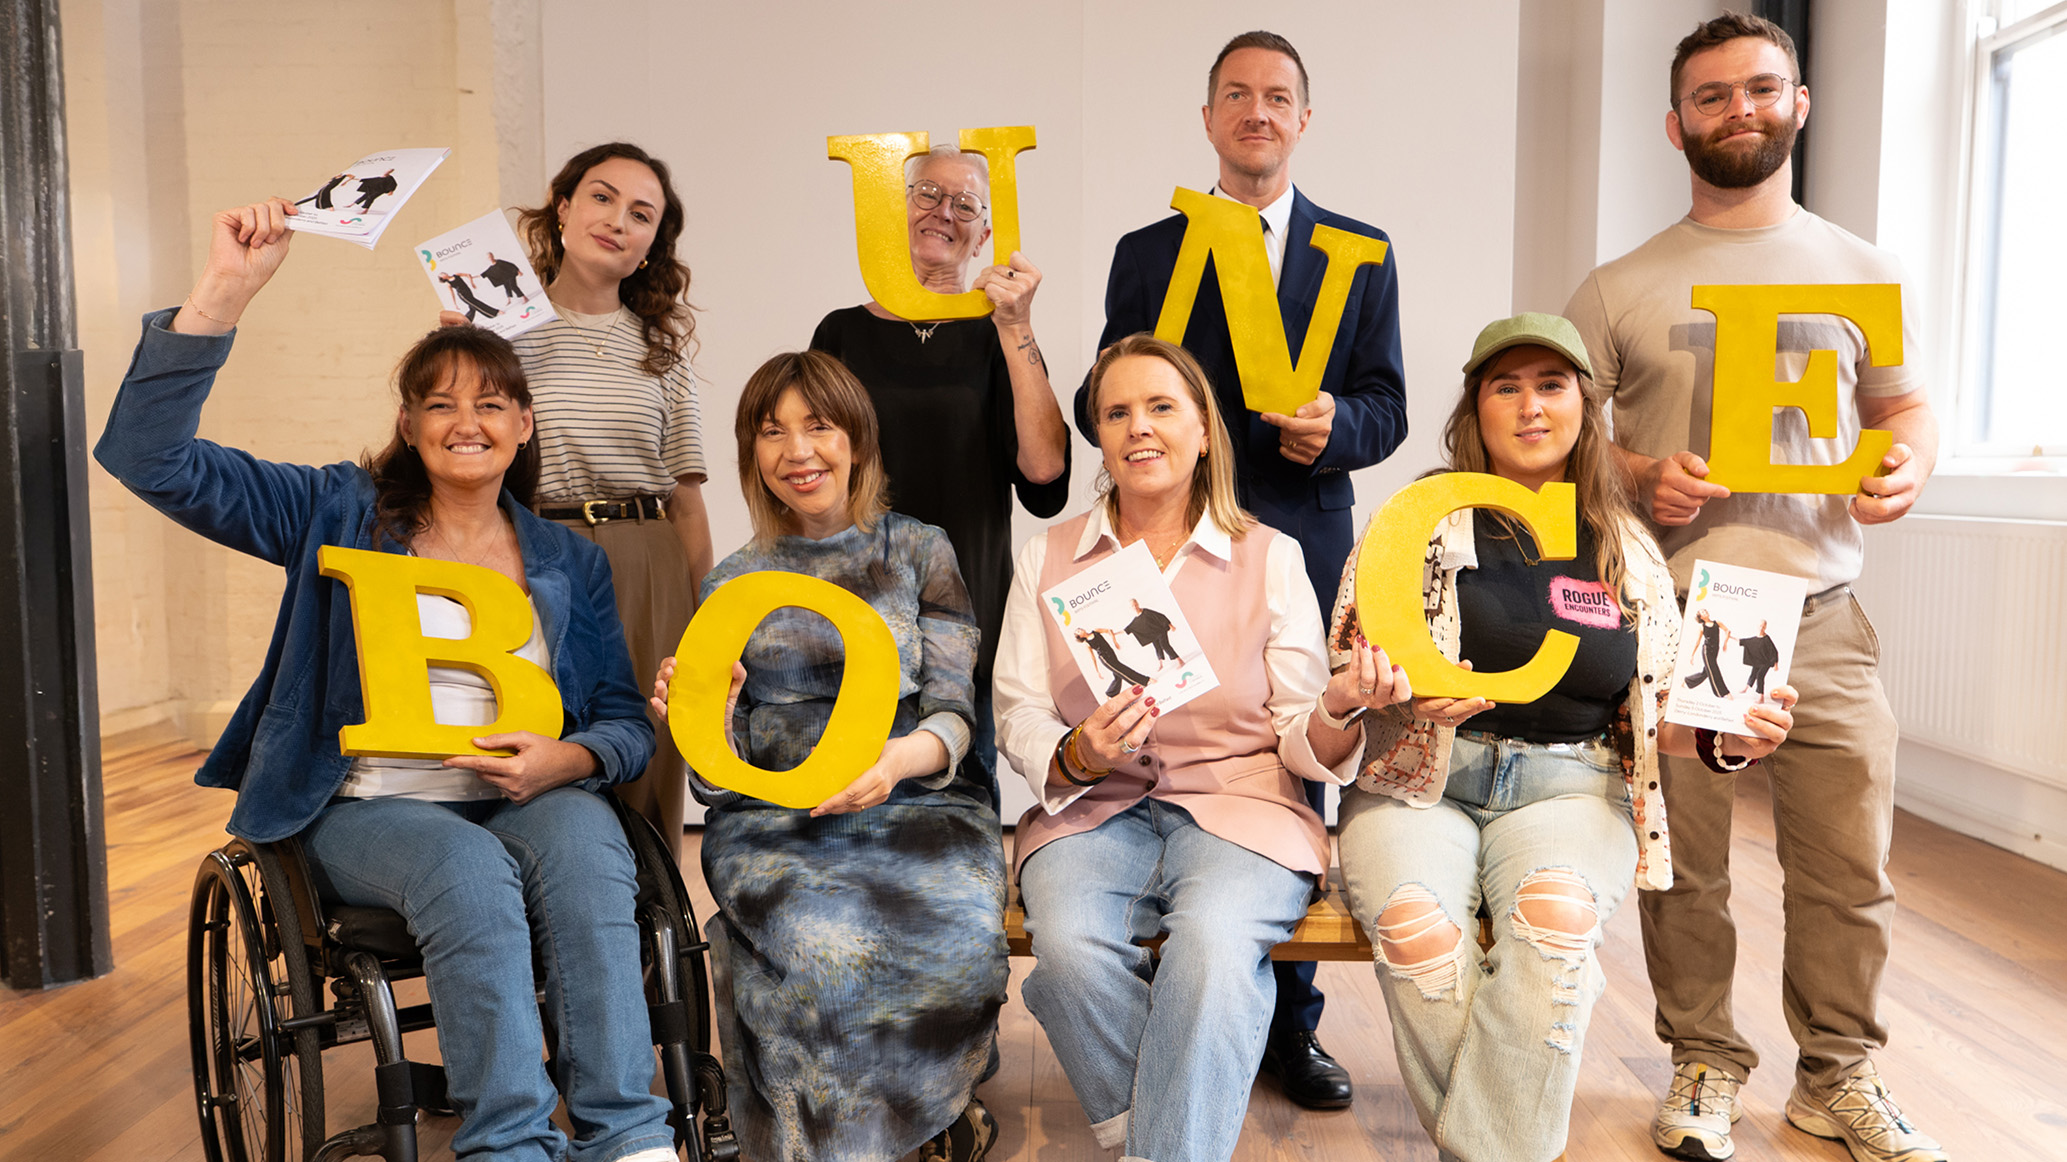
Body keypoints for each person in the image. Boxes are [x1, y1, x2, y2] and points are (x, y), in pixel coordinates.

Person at [94, 197, 674, 1162]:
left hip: (522, 792)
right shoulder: (333, 508)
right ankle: (511, 1145)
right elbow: (148, 458)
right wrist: (222, 295)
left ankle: (629, 1137)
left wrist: (567, 757)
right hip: (370, 802)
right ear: (406, 423)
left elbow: (621, 720)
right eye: (439, 403)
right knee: (465, 869)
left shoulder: (566, 561)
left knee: (589, 850)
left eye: (491, 402)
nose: (466, 422)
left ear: (526, 424)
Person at [1562, 13, 1943, 1162]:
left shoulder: (1864, 270)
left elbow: (1903, 408)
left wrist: (1910, 462)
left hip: (1823, 613)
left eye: (1763, 89)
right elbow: (1556, 440)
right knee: (1692, 869)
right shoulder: (1621, 284)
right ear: (1675, 123)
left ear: (1801, 103)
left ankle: (1840, 1076)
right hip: (1686, 618)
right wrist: (1635, 472)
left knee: (1849, 867)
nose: (1743, 109)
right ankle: (1703, 1061)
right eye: (1715, 95)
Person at [1328, 313, 1798, 1162]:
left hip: (1570, 786)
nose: (1530, 406)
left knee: (1553, 927)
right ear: (1475, 407)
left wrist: (1738, 740)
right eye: (1505, 386)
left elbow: (1666, 714)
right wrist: (1388, 696)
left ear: (1583, 405)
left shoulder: (1627, 548)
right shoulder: (1417, 524)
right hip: (1420, 780)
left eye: (1550, 385)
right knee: (1414, 931)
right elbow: (1345, 662)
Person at [1076, 30, 1410, 1105]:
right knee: (1152, 753)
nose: (1257, 112)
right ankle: (1162, 992)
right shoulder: (1146, 252)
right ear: (1209, 117)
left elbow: (1388, 403)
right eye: (1236, 95)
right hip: (1157, 537)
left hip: (1297, 533)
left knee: (1288, 777)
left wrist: (1337, 426)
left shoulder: (1360, 248)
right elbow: (1116, 394)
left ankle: (1287, 1024)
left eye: (1278, 97)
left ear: (1303, 119)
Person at [995, 334, 1405, 1162]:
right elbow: (1017, 711)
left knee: (1215, 949)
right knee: (1067, 955)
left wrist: (1338, 704)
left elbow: (1299, 735)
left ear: (1204, 429)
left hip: (1241, 808)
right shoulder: (1048, 554)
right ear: (1100, 437)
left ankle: (1152, 1147)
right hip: (1091, 809)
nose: (1137, 428)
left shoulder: (1271, 555)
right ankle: (1165, 1137)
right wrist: (1076, 753)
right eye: (1116, 412)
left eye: (1160, 407)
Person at [651, 350, 1006, 1162]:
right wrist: (710, 713)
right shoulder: (731, 583)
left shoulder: (920, 551)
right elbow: (714, 777)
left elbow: (954, 714)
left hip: (918, 801)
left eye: (818, 424)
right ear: (751, 455)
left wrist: (892, 764)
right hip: (775, 818)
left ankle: (926, 1111)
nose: (797, 450)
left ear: (856, 439)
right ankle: (839, 1139)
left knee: (954, 935)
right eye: (771, 432)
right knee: (821, 948)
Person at [810, 144, 1070, 803]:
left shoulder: (999, 338)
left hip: (966, 610)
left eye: (964, 203)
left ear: (985, 233)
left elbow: (1044, 476)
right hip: (855, 605)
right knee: (850, 794)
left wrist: (1016, 328)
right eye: (926, 193)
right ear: (890, 211)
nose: (942, 212)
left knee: (958, 792)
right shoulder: (839, 334)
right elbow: (806, 472)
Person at [488, 142, 713, 859]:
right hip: (532, 554)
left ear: (652, 244)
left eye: (641, 214)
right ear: (562, 208)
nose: (617, 219)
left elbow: (685, 500)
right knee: (540, 740)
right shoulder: (498, 331)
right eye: (601, 196)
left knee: (645, 750)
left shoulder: (661, 352)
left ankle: (648, 958)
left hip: (645, 558)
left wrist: (703, 613)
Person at [1077, 626, 1154, 695]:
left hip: (1111, 653)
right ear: (1080, 636)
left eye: (1079, 629)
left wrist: (1115, 641)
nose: (1080, 630)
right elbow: (1092, 657)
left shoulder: (1096, 631)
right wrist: (1097, 671)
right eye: (1078, 631)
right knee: (1122, 670)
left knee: (1117, 675)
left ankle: (1110, 694)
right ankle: (1144, 681)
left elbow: (1109, 630)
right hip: (1105, 658)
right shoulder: (1086, 644)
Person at [1681, 608, 1732, 696]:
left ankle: (1687, 681)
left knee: (1706, 672)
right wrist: (1692, 655)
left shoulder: (1717, 623)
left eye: (1705, 611)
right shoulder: (1702, 627)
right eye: (1703, 612)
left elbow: (1727, 631)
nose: (1705, 612)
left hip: (1715, 650)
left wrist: (1725, 643)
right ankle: (1724, 693)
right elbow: (1697, 641)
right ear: (1700, 617)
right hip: (1706, 650)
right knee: (1714, 669)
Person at [1124, 599, 1180, 665]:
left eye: (1135, 604)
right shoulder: (1136, 620)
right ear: (1130, 608)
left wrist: (1171, 625)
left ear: (1138, 604)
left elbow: (1160, 616)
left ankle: (1179, 660)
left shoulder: (1146, 612)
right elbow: (1128, 629)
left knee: (1164, 645)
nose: (1135, 607)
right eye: (1132, 606)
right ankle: (1161, 664)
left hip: (1160, 631)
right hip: (1154, 634)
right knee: (1157, 647)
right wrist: (1114, 634)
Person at [1740, 621, 1778, 696]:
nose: (1761, 628)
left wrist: (1776, 664)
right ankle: (1746, 689)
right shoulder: (1755, 638)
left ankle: (1761, 696)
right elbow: (1744, 641)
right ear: (1757, 626)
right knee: (1753, 673)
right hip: (1759, 661)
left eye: (1763, 627)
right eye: (1760, 626)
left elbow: (1774, 651)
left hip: (1766, 662)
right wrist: (1730, 637)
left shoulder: (1766, 639)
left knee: (1760, 675)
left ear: (1765, 628)